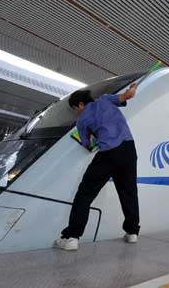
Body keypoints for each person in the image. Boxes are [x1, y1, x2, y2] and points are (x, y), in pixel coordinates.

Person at [53, 83, 140, 251]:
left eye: (75, 108)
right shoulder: (105, 100)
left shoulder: (82, 121)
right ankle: (132, 233)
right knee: (129, 192)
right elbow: (128, 96)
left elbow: (89, 145)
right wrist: (133, 89)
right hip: (129, 149)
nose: (76, 112)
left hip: (108, 153)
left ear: (80, 104)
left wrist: (93, 135)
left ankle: (72, 237)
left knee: (85, 194)